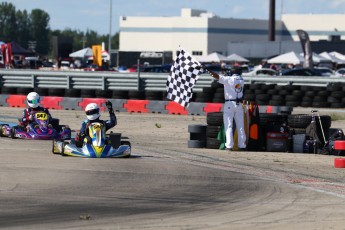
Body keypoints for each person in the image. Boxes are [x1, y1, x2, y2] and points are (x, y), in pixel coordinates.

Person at [203, 66, 247, 151]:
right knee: (240, 126)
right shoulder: (241, 80)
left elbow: (216, 76)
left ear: (231, 72)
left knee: (229, 125)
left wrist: (208, 70)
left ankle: (229, 145)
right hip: (239, 104)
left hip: (229, 103)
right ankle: (242, 145)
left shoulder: (228, 79)